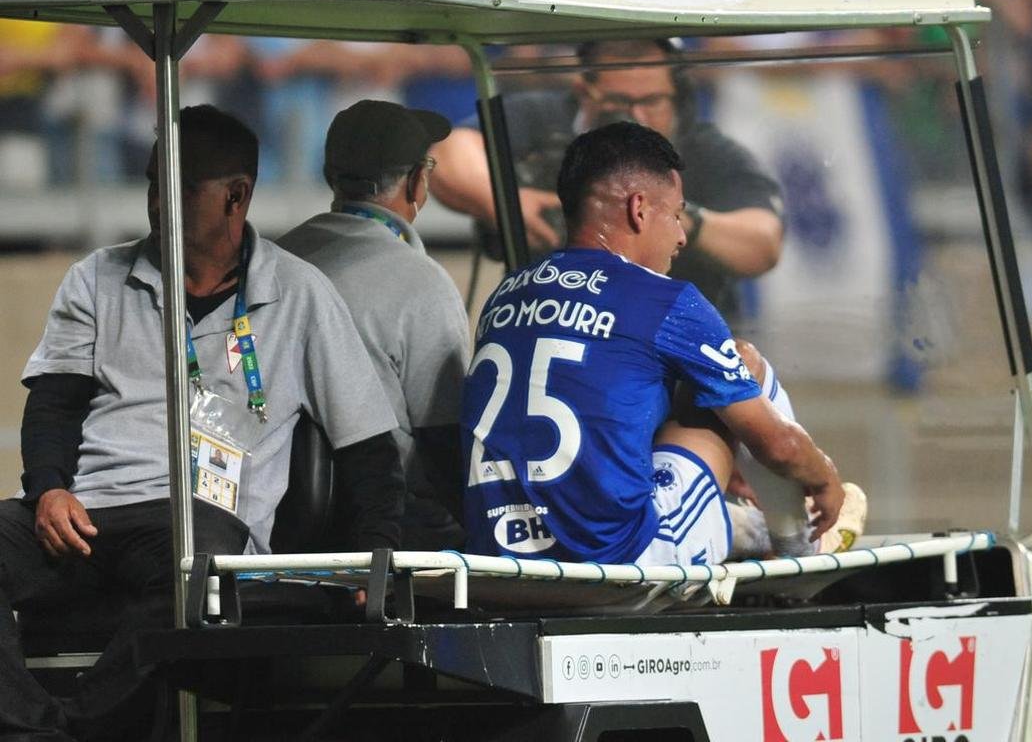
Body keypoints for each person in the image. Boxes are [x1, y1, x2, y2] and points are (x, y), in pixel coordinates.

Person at [0, 104, 402, 739]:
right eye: (152, 183)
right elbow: (53, 405)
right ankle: (31, 728)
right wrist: (48, 487)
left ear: (236, 196)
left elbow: (370, 454)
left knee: (195, 565)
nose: (157, 202)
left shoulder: (300, 294)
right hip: (85, 516)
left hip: (198, 519)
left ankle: (74, 730)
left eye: (180, 188)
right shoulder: (95, 278)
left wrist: (374, 559)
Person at [460, 122, 843, 566]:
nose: (681, 236)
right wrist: (825, 476)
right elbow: (780, 449)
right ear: (639, 209)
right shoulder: (665, 300)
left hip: (500, 559)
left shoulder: (506, 293)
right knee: (743, 362)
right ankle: (801, 550)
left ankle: (738, 525)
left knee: (689, 391)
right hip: (615, 565)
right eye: (677, 214)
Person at [429, 38, 784, 321]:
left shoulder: (706, 149)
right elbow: (448, 157)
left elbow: (763, 242)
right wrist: (509, 204)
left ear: (678, 96)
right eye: (619, 102)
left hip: (680, 332)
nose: (638, 117)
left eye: (652, 101)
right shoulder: (544, 118)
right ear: (585, 92)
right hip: (558, 322)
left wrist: (675, 217)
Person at [279, 100, 471, 550]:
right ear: (417, 181)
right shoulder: (420, 281)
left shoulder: (276, 259)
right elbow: (444, 441)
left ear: (331, 177)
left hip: (277, 518)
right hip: (389, 525)